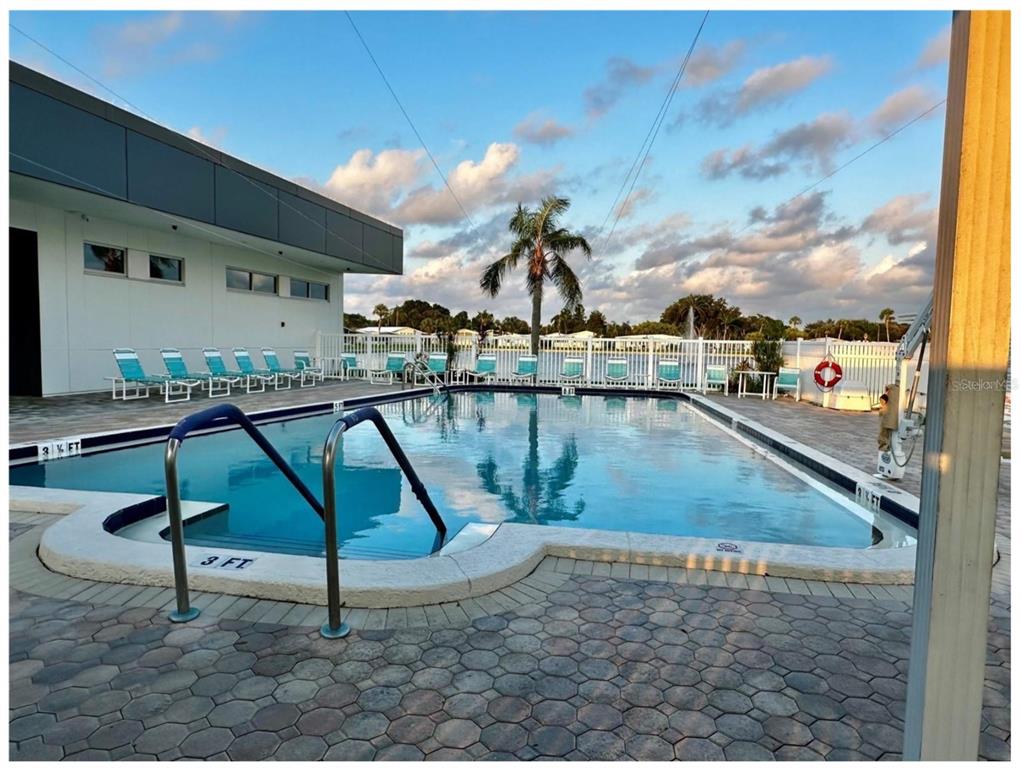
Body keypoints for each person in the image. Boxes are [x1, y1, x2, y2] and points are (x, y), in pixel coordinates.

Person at [878, 383, 900, 451]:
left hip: (887, 418)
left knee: (884, 435)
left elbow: (883, 401)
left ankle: (884, 448)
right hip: (896, 419)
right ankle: (889, 447)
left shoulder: (889, 391)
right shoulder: (900, 392)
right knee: (892, 436)